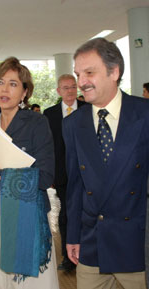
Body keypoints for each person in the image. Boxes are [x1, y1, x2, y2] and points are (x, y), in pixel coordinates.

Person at [62, 38, 149, 289]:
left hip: (137, 243)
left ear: (114, 72)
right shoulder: (73, 124)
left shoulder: (144, 113)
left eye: (89, 72)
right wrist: (73, 236)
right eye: (79, 74)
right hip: (92, 244)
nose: (81, 82)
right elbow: (75, 186)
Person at [0, 57, 59, 289]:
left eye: (13, 83)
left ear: (24, 92)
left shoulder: (37, 122)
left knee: (30, 283)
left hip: (26, 214)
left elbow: (47, 175)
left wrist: (9, 173)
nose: (4, 89)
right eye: (0, 82)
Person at [44, 74, 85, 272]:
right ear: (58, 91)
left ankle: (87, 255)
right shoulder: (49, 114)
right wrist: (50, 173)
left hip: (87, 174)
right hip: (61, 174)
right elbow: (48, 147)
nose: (70, 91)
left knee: (87, 213)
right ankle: (68, 258)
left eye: (72, 87)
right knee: (66, 215)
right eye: (65, 88)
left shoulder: (88, 109)